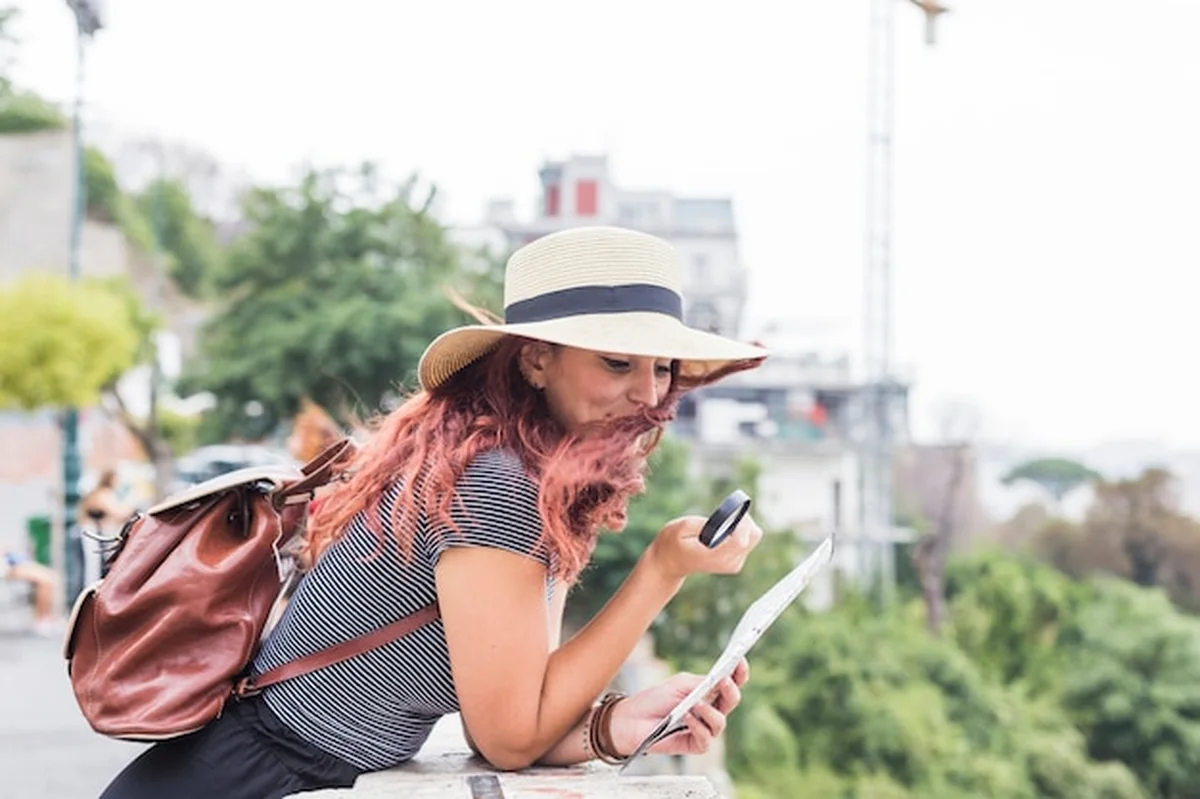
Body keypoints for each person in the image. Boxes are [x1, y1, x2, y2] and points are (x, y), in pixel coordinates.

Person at [99, 225, 769, 799]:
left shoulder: (518, 470)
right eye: (618, 361)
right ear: (537, 359)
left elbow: (515, 708)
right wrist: (660, 569)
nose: (647, 394)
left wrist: (616, 723)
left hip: (260, 768)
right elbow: (508, 739)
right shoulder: (499, 482)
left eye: (662, 369)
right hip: (257, 778)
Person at [2, 547, 61, 635]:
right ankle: (41, 620)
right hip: (6, 566)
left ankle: (46, 617)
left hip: (9, 563)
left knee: (51, 576)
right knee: (45, 580)